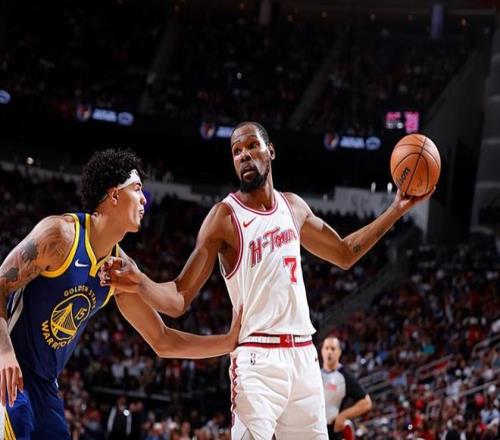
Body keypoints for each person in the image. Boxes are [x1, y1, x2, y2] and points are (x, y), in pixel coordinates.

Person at [101, 122, 433, 439]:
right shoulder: (223, 217)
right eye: (236, 151)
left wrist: (396, 209)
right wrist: (141, 282)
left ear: (270, 151)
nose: (244, 155)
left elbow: (345, 254)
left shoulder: (294, 207)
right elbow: (178, 299)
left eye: (251, 146)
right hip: (257, 358)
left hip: (303, 356)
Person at [0, 149, 241, 440]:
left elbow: (162, 340)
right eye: (137, 189)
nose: (144, 199)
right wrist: (4, 352)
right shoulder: (59, 236)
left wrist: (228, 342)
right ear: (114, 195)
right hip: (8, 369)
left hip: (44, 385)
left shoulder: (118, 270)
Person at [321, 336, 372, 439]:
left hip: (333, 432)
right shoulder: (316, 373)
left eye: (332, 349)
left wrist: (344, 415)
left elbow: (366, 403)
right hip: (315, 430)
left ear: (339, 352)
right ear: (322, 351)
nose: (329, 352)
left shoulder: (345, 376)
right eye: (326, 348)